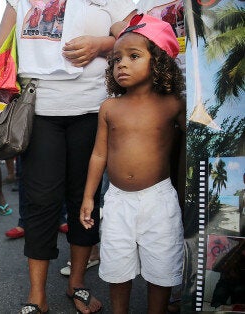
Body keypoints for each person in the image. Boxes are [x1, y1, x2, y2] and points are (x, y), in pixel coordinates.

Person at [0, 0, 135, 312]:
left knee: (85, 198)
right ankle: (36, 296)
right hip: (38, 113)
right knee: (40, 202)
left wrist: (101, 44)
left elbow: (135, 36)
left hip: (93, 112)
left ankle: (77, 284)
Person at [79, 14, 185, 314]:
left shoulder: (173, 105)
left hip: (159, 201)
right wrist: (88, 197)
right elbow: (99, 154)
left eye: (133, 56)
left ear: (159, 62)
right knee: (117, 265)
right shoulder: (110, 108)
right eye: (115, 60)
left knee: (162, 266)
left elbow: (198, 139)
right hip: (117, 201)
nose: (121, 64)